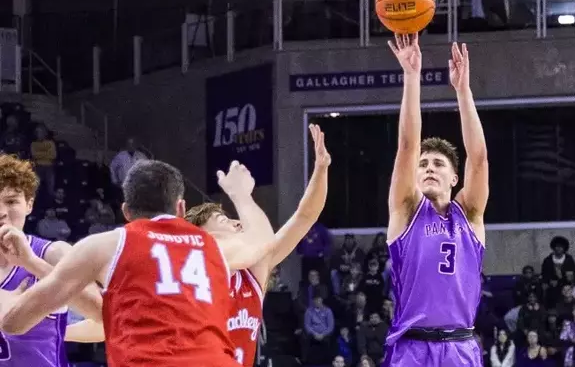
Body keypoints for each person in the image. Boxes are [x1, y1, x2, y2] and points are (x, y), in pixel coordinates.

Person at [0, 159, 277, 366]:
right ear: (180, 208)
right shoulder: (212, 247)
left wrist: (25, 274)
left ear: (126, 211)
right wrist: (241, 194)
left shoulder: (105, 245)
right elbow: (262, 241)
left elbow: (14, 324)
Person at [184, 123, 331, 367]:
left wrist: (321, 168)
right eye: (223, 220)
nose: (236, 223)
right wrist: (240, 195)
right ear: (203, 237)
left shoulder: (251, 272)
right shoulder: (196, 269)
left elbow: (305, 217)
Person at [383, 35, 489, 366]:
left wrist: (463, 91)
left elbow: (479, 158)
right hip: (412, 349)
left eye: (438, 164)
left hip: (460, 347)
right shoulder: (405, 210)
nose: (429, 168)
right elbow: (407, 145)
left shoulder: (469, 215)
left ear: (454, 178)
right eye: (424, 165)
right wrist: (411, 76)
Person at [0, 155, 103, 366]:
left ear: (29, 204)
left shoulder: (53, 254)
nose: (1, 212)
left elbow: (103, 317)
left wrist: (31, 264)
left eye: (11, 201)